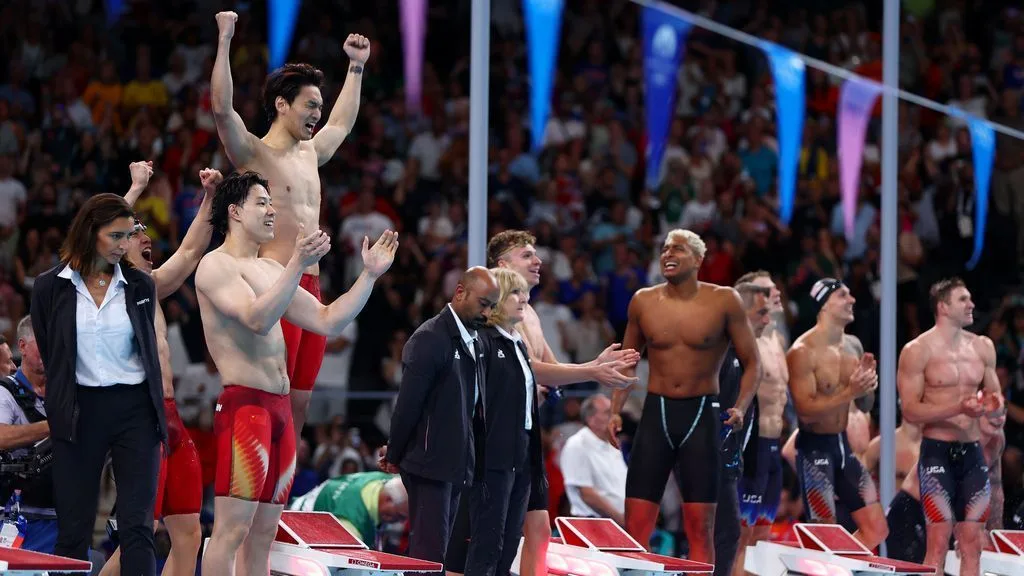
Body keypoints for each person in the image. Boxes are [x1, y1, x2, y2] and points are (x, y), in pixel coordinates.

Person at [196, 171, 397, 576]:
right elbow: (256, 318)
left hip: (280, 412)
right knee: (232, 530)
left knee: (264, 534)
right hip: (245, 408)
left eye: (272, 202)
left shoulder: (271, 270)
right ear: (234, 212)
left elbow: (328, 319)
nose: (272, 210)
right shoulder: (214, 266)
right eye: (262, 203)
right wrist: (298, 265)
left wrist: (369, 275)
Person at [212, 10, 370, 439]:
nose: (318, 114)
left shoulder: (310, 153)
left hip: (313, 290)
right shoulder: (254, 155)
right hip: (276, 285)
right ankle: (259, 498)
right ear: (282, 105)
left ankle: (280, 499)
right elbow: (223, 110)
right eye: (310, 105)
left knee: (299, 405)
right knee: (274, 397)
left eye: (319, 105)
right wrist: (226, 38)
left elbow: (342, 122)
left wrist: (356, 66)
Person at [444, 267, 638, 576]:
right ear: (495, 301)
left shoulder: (516, 342)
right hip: (491, 458)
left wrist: (592, 368)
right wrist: (590, 370)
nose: (524, 299)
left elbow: (540, 371)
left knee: (506, 545)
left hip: (520, 456)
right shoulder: (483, 342)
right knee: (485, 544)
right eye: (515, 293)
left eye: (524, 292)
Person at [31, 192, 166, 574]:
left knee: (137, 525)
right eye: (116, 236)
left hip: (136, 411)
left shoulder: (141, 286)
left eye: (129, 236)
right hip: (79, 411)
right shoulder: (49, 288)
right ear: (91, 233)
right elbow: (52, 349)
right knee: (73, 527)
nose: (125, 246)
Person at [609, 229, 761, 563]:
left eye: (677, 248)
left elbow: (753, 363)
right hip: (656, 414)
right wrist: (615, 410)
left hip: (702, 415)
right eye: (663, 249)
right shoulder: (644, 301)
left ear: (698, 259)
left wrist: (740, 407)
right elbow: (627, 361)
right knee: (636, 523)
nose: (667, 254)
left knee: (700, 527)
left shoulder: (723, 300)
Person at [101, 162, 217, 576]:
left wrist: (210, 198)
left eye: (145, 232)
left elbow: (190, 250)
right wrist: (134, 187)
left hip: (172, 420)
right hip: (139, 422)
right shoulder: (108, 292)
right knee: (140, 533)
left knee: (189, 533)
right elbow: (88, 240)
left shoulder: (150, 286)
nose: (146, 237)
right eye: (134, 234)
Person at [377, 267, 499, 566]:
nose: (488, 313)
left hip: (457, 463)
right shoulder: (430, 338)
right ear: (460, 292)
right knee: (428, 555)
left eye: (492, 307)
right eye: (484, 303)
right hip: (429, 463)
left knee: (438, 554)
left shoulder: (475, 340)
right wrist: (394, 452)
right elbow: (407, 405)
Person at [897, 278, 1005, 576]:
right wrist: (957, 407)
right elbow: (909, 410)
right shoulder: (917, 350)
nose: (971, 304)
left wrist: (995, 410)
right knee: (938, 541)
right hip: (937, 455)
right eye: (963, 299)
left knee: (972, 543)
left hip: (972, 455)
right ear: (943, 306)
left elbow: (996, 399)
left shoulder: (983, 347)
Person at [786, 278, 888, 550]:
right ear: (824, 305)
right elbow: (805, 413)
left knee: (877, 529)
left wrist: (867, 386)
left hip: (842, 448)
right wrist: (850, 391)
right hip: (814, 449)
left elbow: (865, 406)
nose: (852, 300)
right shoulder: (802, 351)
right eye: (843, 295)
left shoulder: (853, 345)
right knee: (823, 536)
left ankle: (835, 566)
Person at [731, 272, 788, 576]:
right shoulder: (744, 340)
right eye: (766, 290)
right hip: (750, 446)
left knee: (762, 540)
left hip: (772, 448)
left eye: (775, 287)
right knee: (741, 538)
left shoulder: (777, 339)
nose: (774, 293)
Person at [713, 282, 770, 576]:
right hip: (714, 460)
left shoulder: (744, 356)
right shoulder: (721, 352)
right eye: (761, 312)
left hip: (733, 459)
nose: (767, 319)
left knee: (733, 537)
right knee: (723, 537)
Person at [0, 317, 55, 553]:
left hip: (66, 513)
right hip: (19, 515)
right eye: (42, 342)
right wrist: (53, 426)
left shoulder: (68, 393)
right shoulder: (6, 391)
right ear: (22, 346)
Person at [289, 472, 408, 548]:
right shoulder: (351, 525)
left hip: (312, 500)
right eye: (400, 516)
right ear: (388, 500)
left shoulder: (382, 479)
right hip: (295, 528)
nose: (402, 522)